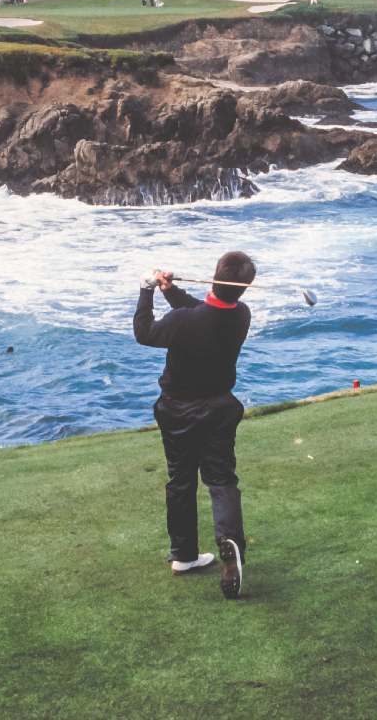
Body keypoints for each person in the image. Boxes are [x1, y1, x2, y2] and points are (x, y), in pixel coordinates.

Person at [133, 252, 256, 599]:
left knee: (181, 480)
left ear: (215, 277)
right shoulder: (240, 315)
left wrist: (146, 290)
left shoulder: (186, 321)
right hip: (219, 407)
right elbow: (204, 312)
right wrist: (169, 291)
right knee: (221, 479)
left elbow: (144, 333)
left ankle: (184, 555)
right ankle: (230, 543)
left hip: (177, 411)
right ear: (242, 288)